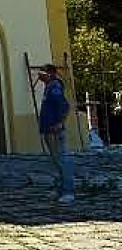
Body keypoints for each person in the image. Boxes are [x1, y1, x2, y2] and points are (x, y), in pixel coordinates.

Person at [38, 63, 75, 203]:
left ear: (49, 73)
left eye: (42, 72)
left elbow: (64, 106)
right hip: (48, 129)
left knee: (63, 161)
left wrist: (59, 123)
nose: (39, 74)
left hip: (55, 131)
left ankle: (68, 191)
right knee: (56, 161)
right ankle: (59, 189)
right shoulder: (48, 87)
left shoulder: (54, 87)